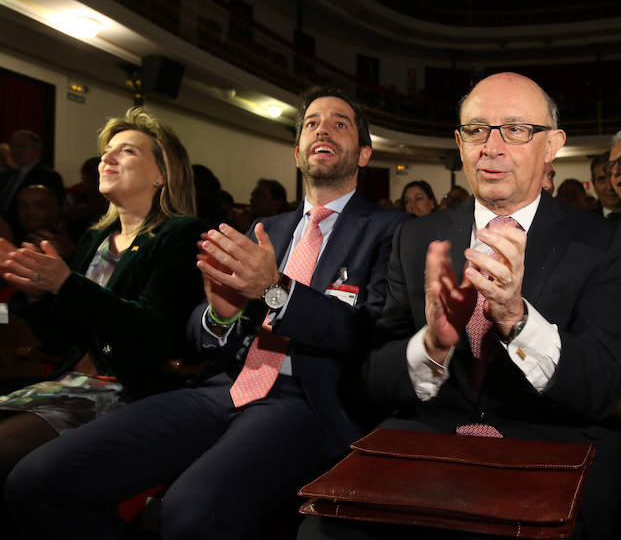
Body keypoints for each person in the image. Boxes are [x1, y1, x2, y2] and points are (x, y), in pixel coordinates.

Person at [6, 86, 408, 540]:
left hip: (305, 399)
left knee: (192, 512)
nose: (323, 129)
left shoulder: (391, 231)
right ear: (297, 152)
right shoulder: (262, 230)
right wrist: (219, 315)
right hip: (221, 387)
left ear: (365, 153)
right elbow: (198, 330)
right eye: (312, 123)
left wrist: (275, 289)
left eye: (340, 123)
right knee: (37, 481)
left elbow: (370, 332)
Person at [300, 72, 621, 540]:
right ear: (459, 142)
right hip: (426, 442)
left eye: (515, 129)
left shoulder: (601, 240)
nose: (491, 147)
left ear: (553, 144)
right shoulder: (415, 238)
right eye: (476, 130)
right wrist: (432, 345)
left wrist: (516, 319)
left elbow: (599, 388)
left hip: (546, 447)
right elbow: (374, 377)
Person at [0, 107, 204, 498]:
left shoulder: (179, 234)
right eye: (107, 151)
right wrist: (35, 292)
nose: (107, 157)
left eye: (126, 151)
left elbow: (153, 332)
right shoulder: (97, 238)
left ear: (162, 173)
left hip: (126, 393)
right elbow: (61, 341)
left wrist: (66, 284)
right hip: (70, 384)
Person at [0, 130, 65, 230]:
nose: (16, 150)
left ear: (37, 150)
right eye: (13, 146)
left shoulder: (49, 176)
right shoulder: (6, 175)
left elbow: (54, 212)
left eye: (21, 146)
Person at [14, 185, 75, 259]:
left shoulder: (76, 242)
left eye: (39, 205)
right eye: (23, 206)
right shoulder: (14, 247)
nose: (29, 212)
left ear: (56, 209)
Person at [589, 153, 621, 217]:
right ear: (594, 185)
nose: (609, 187)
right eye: (602, 179)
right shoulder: (585, 221)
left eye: (615, 177)